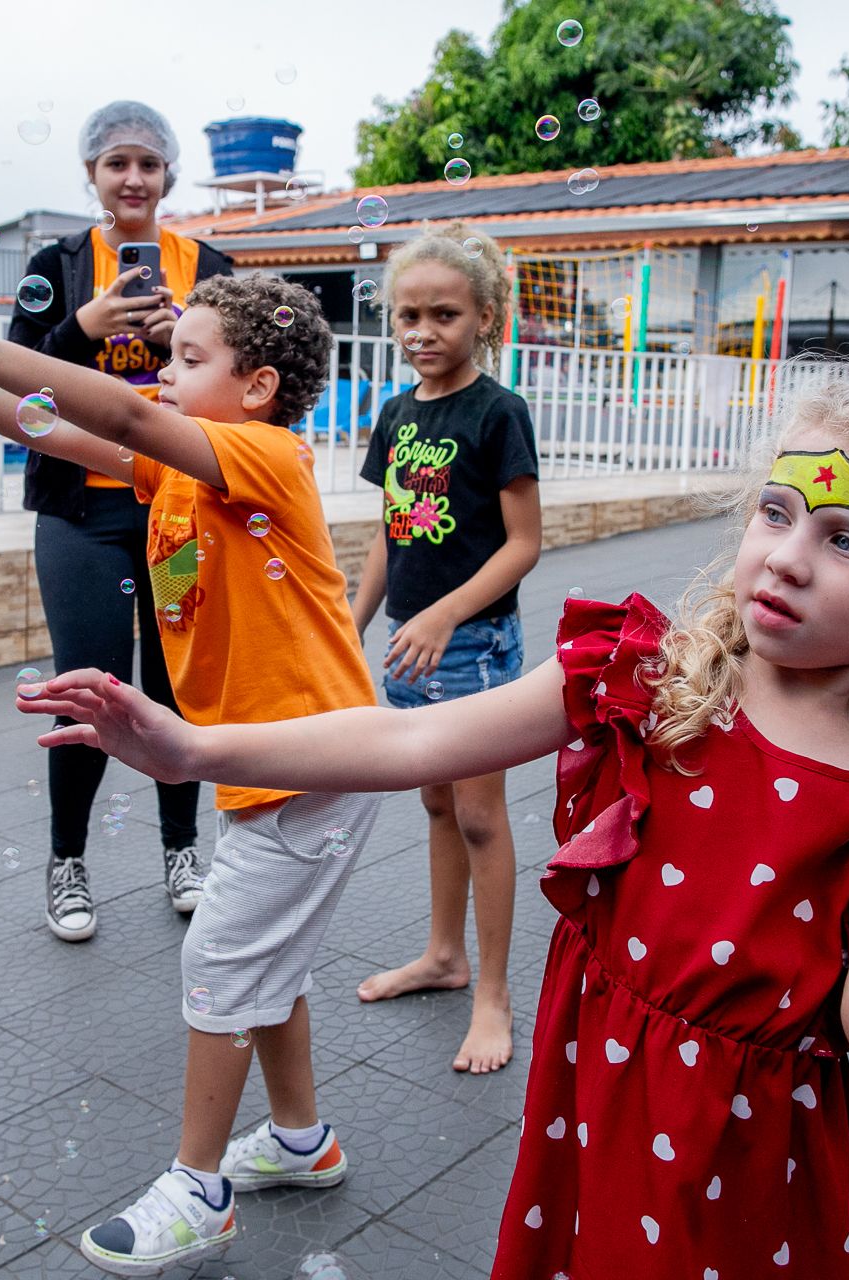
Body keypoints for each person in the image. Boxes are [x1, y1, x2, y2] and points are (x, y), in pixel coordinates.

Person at [20, 364, 849, 1278]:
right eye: (778, 510)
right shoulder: (649, 677)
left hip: (742, 1151)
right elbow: (414, 738)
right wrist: (194, 746)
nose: (784, 554)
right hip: (595, 1087)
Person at [0, 273, 375, 1276]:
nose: (164, 376)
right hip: (277, 763)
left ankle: (198, 1187)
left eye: (189, 359)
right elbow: (52, 427)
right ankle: (301, 1139)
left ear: (254, 388)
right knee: (267, 964)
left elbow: (111, 406)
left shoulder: (265, 455)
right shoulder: (184, 473)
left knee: (219, 964)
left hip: (312, 765)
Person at [7, 100, 233, 942]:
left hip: (176, 516)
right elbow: (14, 380)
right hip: (81, 517)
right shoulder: (58, 263)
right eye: (116, 164)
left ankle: (181, 851)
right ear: (92, 176)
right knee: (89, 687)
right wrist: (82, 327)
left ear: (168, 174)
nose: (132, 178)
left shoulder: (207, 263)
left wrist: (192, 341)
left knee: (177, 680)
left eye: (147, 163)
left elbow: (248, 377)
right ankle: (69, 860)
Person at [348, 223, 540, 1075]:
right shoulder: (395, 415)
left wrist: (444, 618)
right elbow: (391, 535)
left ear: (485, 318)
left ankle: (493, 992)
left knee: (477, 814)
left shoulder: (499, 412)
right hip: (411, 646)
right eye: (408, 316)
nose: (423, 331)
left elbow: (523, 543)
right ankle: (441, 956)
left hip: (475, 645)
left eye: (444, 315)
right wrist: (351, 622)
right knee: (433, 804)